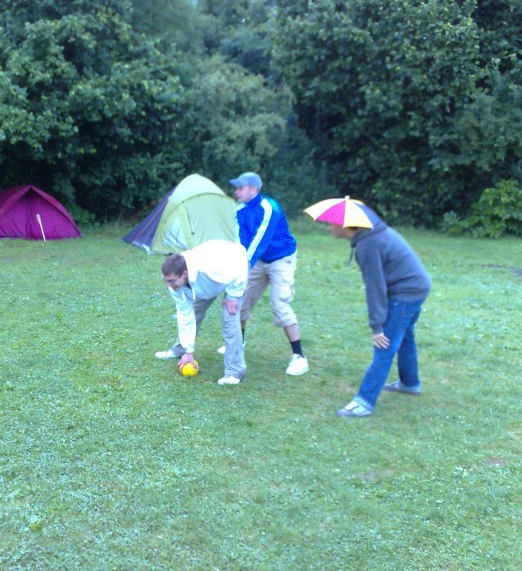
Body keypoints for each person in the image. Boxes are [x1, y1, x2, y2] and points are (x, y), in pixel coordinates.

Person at [329, 217, 431, 418]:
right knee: (405, 337)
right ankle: (410, 384)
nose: (328, 227)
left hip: (406, 293)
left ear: (345, 225)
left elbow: (375, 288)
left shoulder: (368, 245)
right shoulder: (370, 237)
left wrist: (377, 327)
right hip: (417, 287)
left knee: (384, 345)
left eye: (331, 223)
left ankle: (364, 401)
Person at [226, 172, 309, 376]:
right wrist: (238, 266)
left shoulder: (269, 208)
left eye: (240, 188)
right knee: (241, 300)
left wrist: (244, 265)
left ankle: (299, 357)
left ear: (253, 189)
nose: (236, 192)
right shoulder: (239, 210)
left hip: (281, 258)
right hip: (258, 260)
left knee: (280, 304)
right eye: (236, 188)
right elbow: (240, 241)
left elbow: (260, 240)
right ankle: (239, 344)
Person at [155, 239, 248, 385]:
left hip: (234, 271)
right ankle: (181, 350)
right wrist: (189, 351)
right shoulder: (176, 285)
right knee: (194, 311)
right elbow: (185, 316)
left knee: (230, 322)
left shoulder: (208, 268)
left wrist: (234, 296)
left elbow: (238, 267)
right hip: (205, 285)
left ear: (184, 274)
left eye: (171, 281)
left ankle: (235, 372)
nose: (168, 286)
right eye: (166, 280)